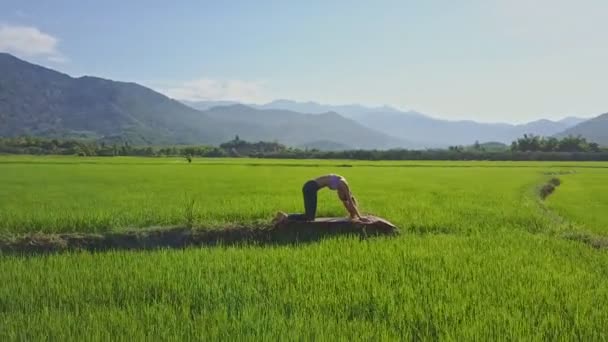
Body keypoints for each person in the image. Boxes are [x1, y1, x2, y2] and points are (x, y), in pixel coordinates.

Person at [273, 174, 363, 224]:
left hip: (310, 187)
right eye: (341, 195)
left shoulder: (341, 186)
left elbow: (346, 203)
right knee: (310, 217)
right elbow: (350, 203)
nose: (339, 194)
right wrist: (360, 217)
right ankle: (285, 216)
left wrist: (351, 215)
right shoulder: (343, 184)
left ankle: (285, 216)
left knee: (310, 216)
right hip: (310, 187)